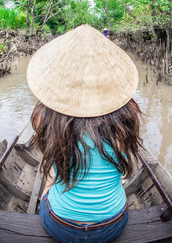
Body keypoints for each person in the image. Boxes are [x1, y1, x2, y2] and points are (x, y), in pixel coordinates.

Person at [26, 24, 143, 243]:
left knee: (51, 176)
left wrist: (48, 190)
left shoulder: (44, 116)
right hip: (113, 223)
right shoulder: (127, 116)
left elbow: (49, 159)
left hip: (61, 225)